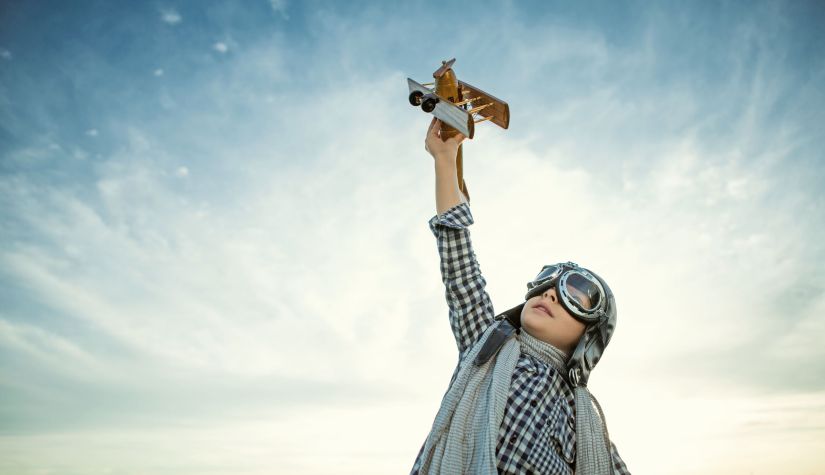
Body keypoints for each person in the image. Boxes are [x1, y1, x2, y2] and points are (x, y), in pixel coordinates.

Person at [410, 117, 631, 474]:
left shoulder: (582, 420)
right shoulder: (486, 347)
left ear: (589, 337)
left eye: (575, 293)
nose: (551, 294)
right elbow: (460, 264)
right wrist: (445, 159)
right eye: (545, 282)